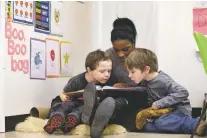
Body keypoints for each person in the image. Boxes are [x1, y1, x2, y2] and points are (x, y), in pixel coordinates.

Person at [125, 48, 207, 136]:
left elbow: (183, 92)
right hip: (164, 113)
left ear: (146, 69)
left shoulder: (162, 80)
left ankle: (197, 124)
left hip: (178, 111)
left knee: (161, 122)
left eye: (132, 72)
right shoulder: (145, 81)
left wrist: (159, 103)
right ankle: (183, 125)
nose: (129, 75)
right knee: (147, 126)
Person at [44, 49, 115, 134]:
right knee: (65, 105)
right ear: (89, 71)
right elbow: (63, 92)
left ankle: (71, 121)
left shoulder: (106, 82)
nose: (107, 74)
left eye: (109, 71)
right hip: (72, 101)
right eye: (102, 71)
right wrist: (63, 96)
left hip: (85, 107)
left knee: (83, 110)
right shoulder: (77, 80)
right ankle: (56, 118)